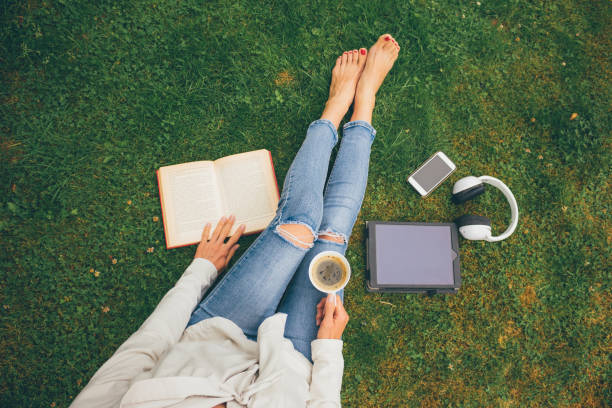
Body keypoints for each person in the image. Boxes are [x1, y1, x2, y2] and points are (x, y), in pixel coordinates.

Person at [71, 34, 399, 408]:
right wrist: (328, 349)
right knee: (331, 237)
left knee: (301, 225)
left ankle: (335, 108)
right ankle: (366, 99)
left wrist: (200, 269)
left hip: (221, 334)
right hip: (290, 364)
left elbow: (143, 350)